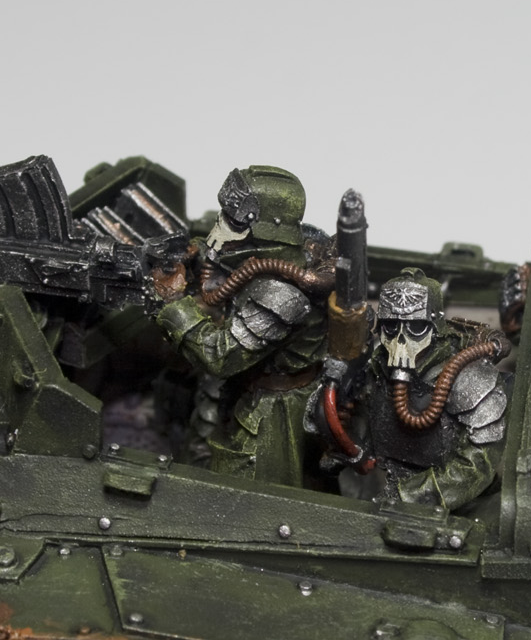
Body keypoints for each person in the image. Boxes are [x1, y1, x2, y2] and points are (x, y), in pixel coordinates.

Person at [151, 166, 332, 486]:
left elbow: (219, 357)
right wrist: (196, 254)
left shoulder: (281, 295)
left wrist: (173, 303)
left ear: (266, 229)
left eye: (234, 221)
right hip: (248, 386)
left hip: (271, 413)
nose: (221, 225)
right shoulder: (275, 251)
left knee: (240, 489)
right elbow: (233, 257)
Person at [310, 268, 509, 517]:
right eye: (391, 327)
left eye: (415, 327)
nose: (400, 341)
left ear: (435, 328)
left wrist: (408, 496)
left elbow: (477, 465)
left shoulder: (470, 377)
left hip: (459, 502)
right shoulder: (378, 362)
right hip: (386, 478)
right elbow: (367, 411)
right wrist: (350, 449)